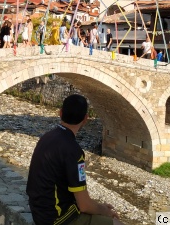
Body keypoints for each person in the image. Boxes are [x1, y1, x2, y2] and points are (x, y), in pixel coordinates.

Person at [27, 94, 123, 225]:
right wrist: (105, 211)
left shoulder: (47, 137)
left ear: (60, 113)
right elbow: (84, 205)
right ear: (85, 119)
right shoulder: (74, 152)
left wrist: (98, 207)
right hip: (57, 220)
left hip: (39, 213)